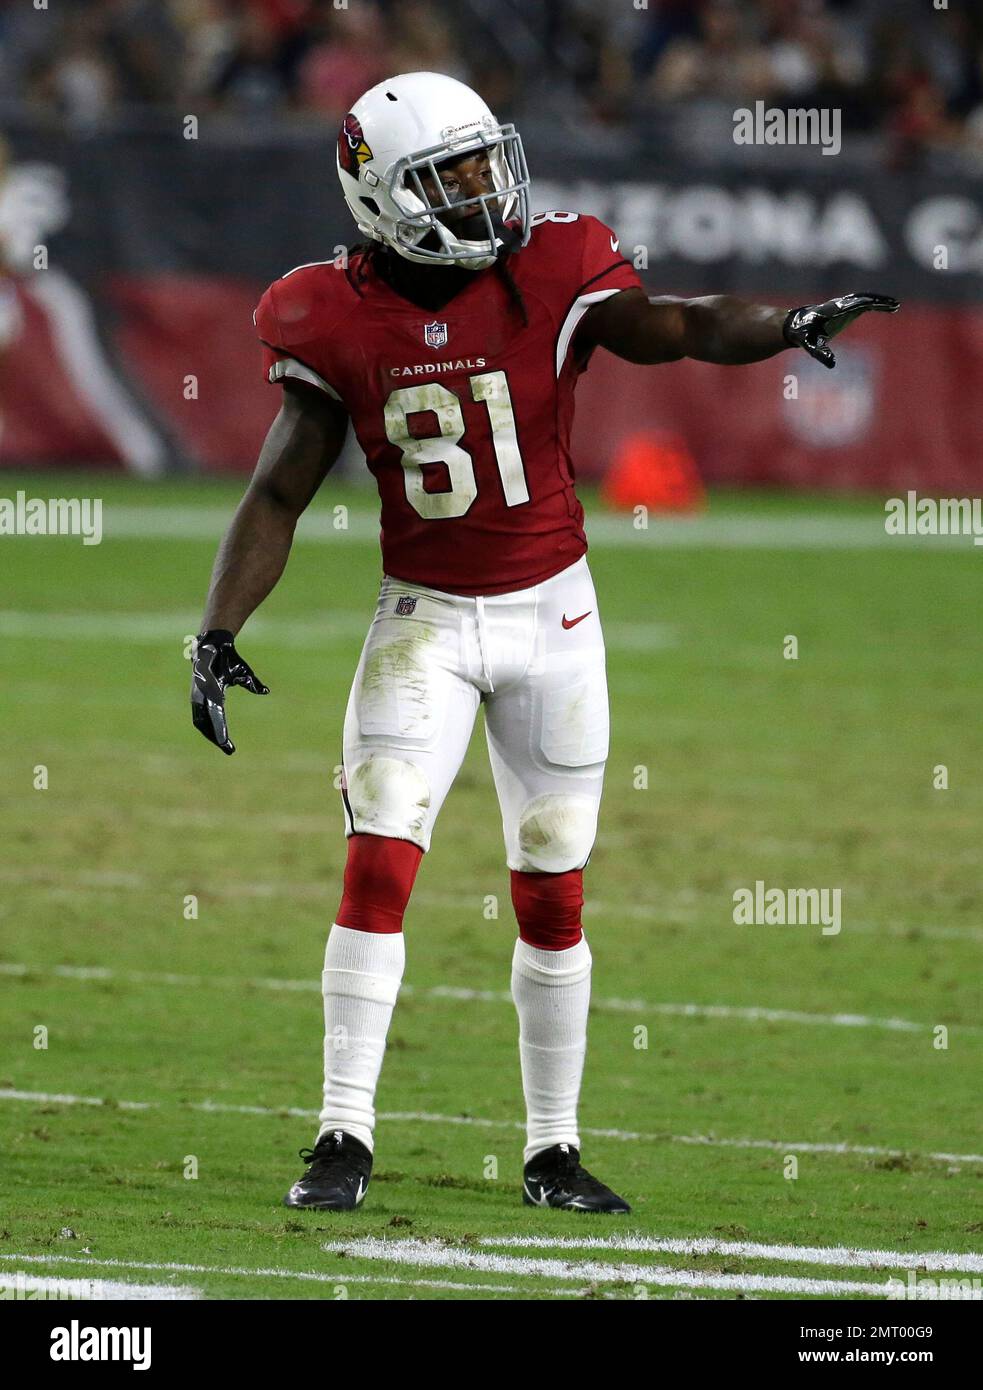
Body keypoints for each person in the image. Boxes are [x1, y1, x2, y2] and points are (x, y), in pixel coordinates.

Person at [190, 70, 898, 1213]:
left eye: (484, 162)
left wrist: (785, 322)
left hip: (554, 617)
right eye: (451, 175)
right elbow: (277, 492)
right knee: (379, 860)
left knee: (553, 890)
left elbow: (671, 328)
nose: (484, 189)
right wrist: (216, 628)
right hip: (422, 621)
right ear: (381, 196)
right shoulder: (328, 313)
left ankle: (552, 1150)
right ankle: (340, 1134)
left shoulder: (553, 263)